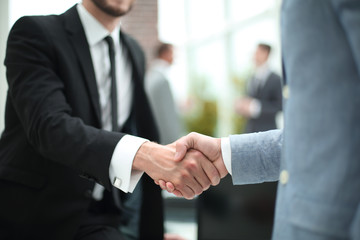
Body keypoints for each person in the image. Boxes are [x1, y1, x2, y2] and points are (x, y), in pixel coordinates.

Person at [0, 0, 221, 239]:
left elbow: (125, 130)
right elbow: (49, 128)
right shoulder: (35, 33)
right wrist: (147, 154)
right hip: (36, 214)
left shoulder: (132, 51)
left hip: (103, 216)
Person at [160, 1, 360, 239]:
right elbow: (318, 131)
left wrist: (254, 108)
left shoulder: (274, 77)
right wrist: (226, 151)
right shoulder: (252, 78)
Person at [235, 43, 282, 133]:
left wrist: (256, 108)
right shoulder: (250, 78)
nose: (254, 56)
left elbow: (280, 106)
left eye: (257, 53)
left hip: (268, 132)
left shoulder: (276, 79)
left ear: (266, 54)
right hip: (250, 131)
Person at [145, 43, 183, 144]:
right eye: (172, 53)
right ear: (165, 54)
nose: (174, 57)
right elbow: (167, 116)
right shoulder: (161, 80)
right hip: (166, 140)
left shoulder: (150, 76)